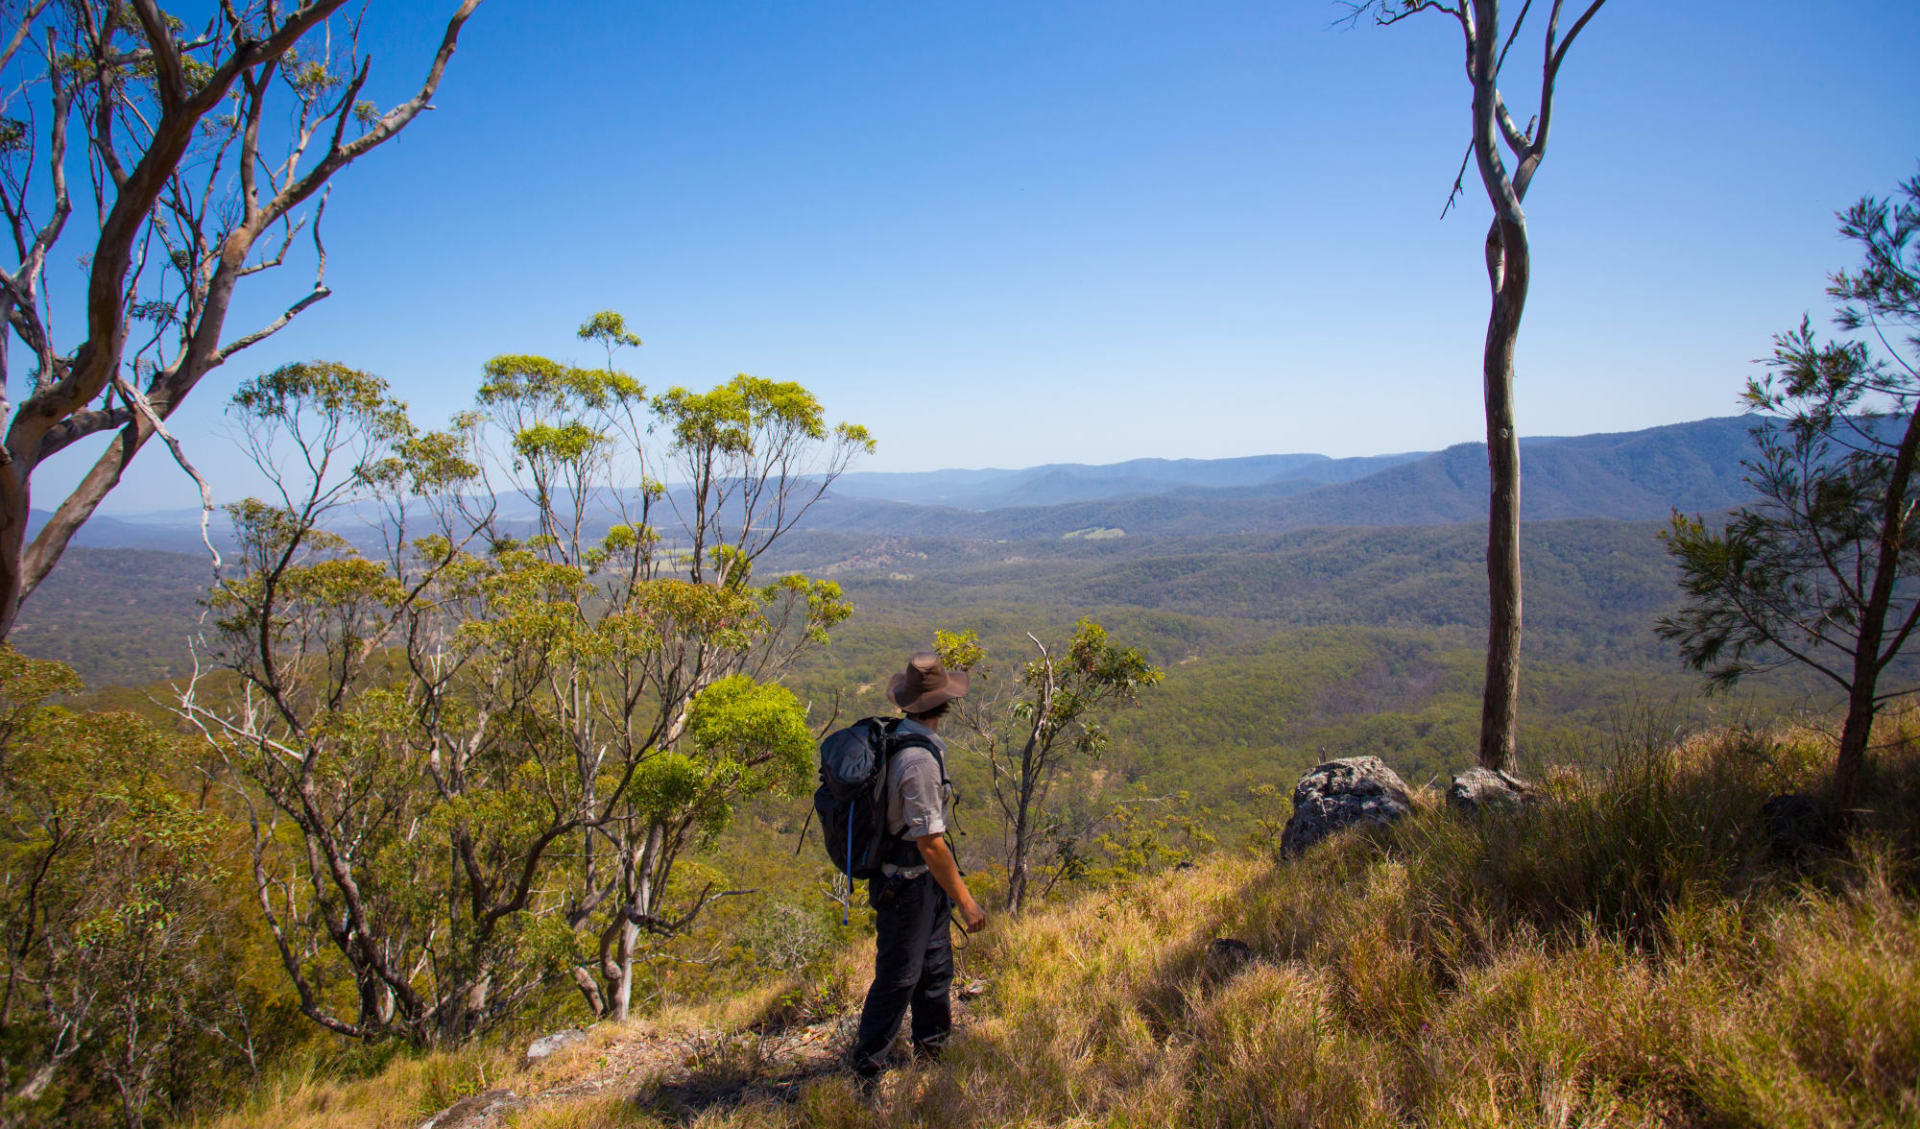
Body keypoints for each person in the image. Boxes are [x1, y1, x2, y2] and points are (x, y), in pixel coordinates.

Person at [848, 651, 989, 1083]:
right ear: (944, 704)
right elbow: (930, 843)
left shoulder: (899, 738)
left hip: (918, 885)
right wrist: (966, 901)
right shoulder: (920, 761)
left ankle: (933, 1058)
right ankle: (865, 1075)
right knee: (899, 978)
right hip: (906, 885)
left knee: (934, 969)